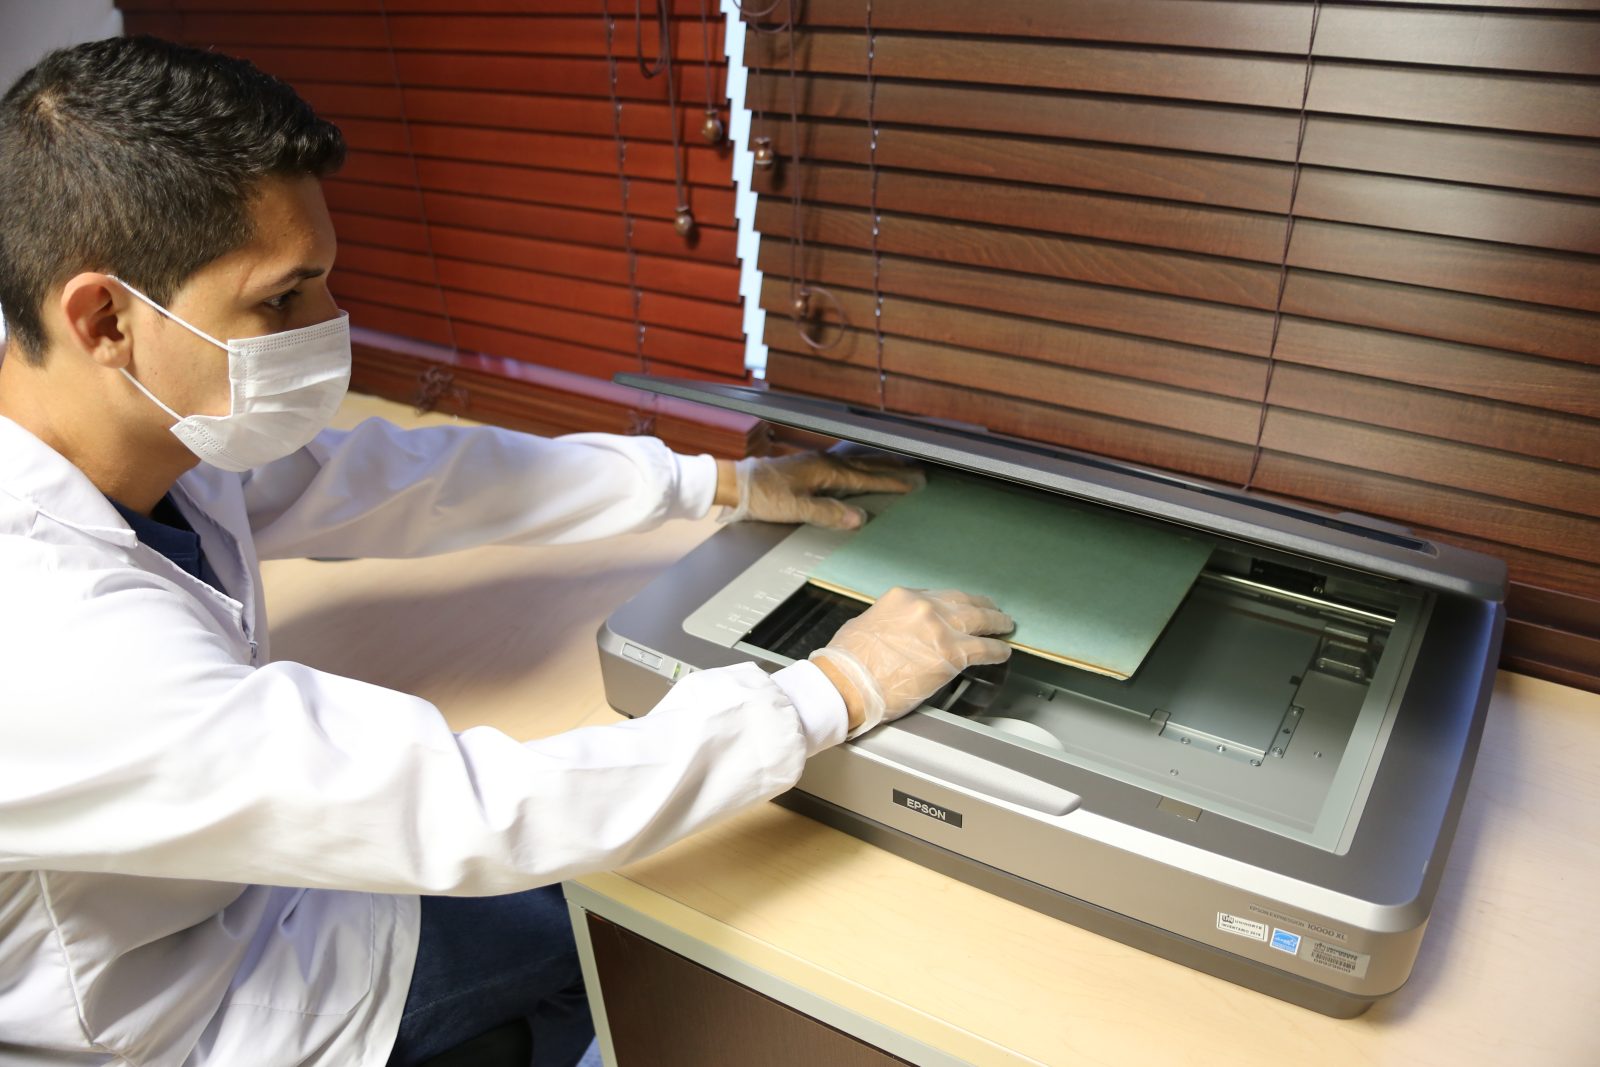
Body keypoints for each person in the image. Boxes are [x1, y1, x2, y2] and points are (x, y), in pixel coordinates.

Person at [0, 36, 1013, 1067]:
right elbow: (472, 811)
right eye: (282, 299)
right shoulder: (54, 641)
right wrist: (833, 688)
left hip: (234, 894)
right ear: (106, 319)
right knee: (634, 927)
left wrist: (716, 481)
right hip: (180, 1015)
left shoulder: (135, 440)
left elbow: (395, 480)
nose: (334, 323)